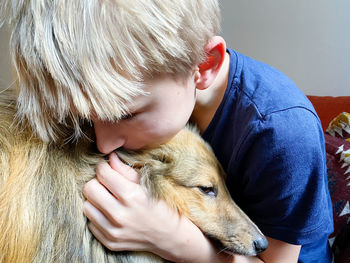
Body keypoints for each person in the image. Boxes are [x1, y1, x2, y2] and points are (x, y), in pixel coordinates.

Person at [1, 0, 333, 262]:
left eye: (126, 114)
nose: (103, 143)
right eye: (90, 118)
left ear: (203, 66)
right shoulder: (159, 96)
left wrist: (171, 238)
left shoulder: (283, 131)